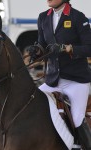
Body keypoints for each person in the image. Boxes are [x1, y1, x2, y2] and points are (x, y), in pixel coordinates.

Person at [28, 0, 91, 149]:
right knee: (31, 105)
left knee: (76, 120)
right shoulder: (43, 17)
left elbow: (89, 47)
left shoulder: (78, 17)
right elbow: (42, 44)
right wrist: (36, 52)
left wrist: (67, 48)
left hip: (77, 81)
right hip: (53, 81)